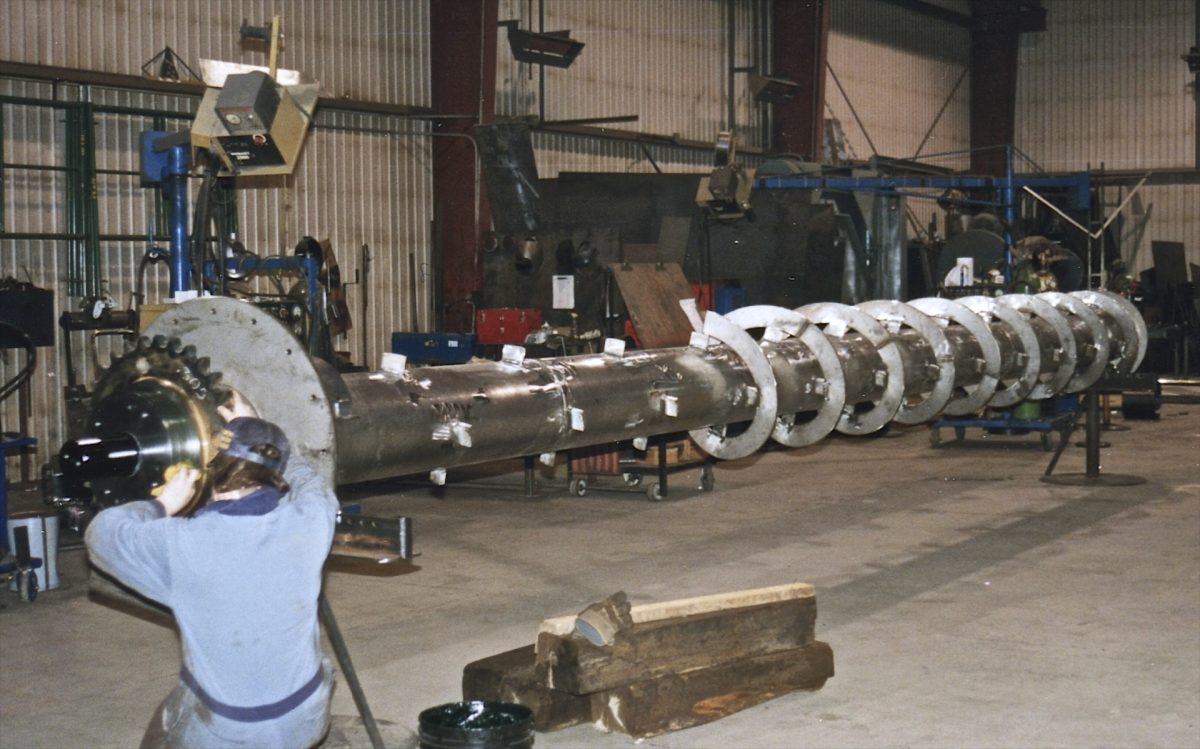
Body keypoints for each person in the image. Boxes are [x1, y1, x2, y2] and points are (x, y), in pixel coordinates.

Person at [85, 399, 339, 749]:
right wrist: (262, 435)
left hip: (234, 733)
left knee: (165, 727)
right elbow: (311, 482)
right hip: (308, 714)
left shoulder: (181, 544)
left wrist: (164, 503)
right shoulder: (311, 520)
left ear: (212, 472)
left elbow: (100, 534)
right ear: (276, 475)